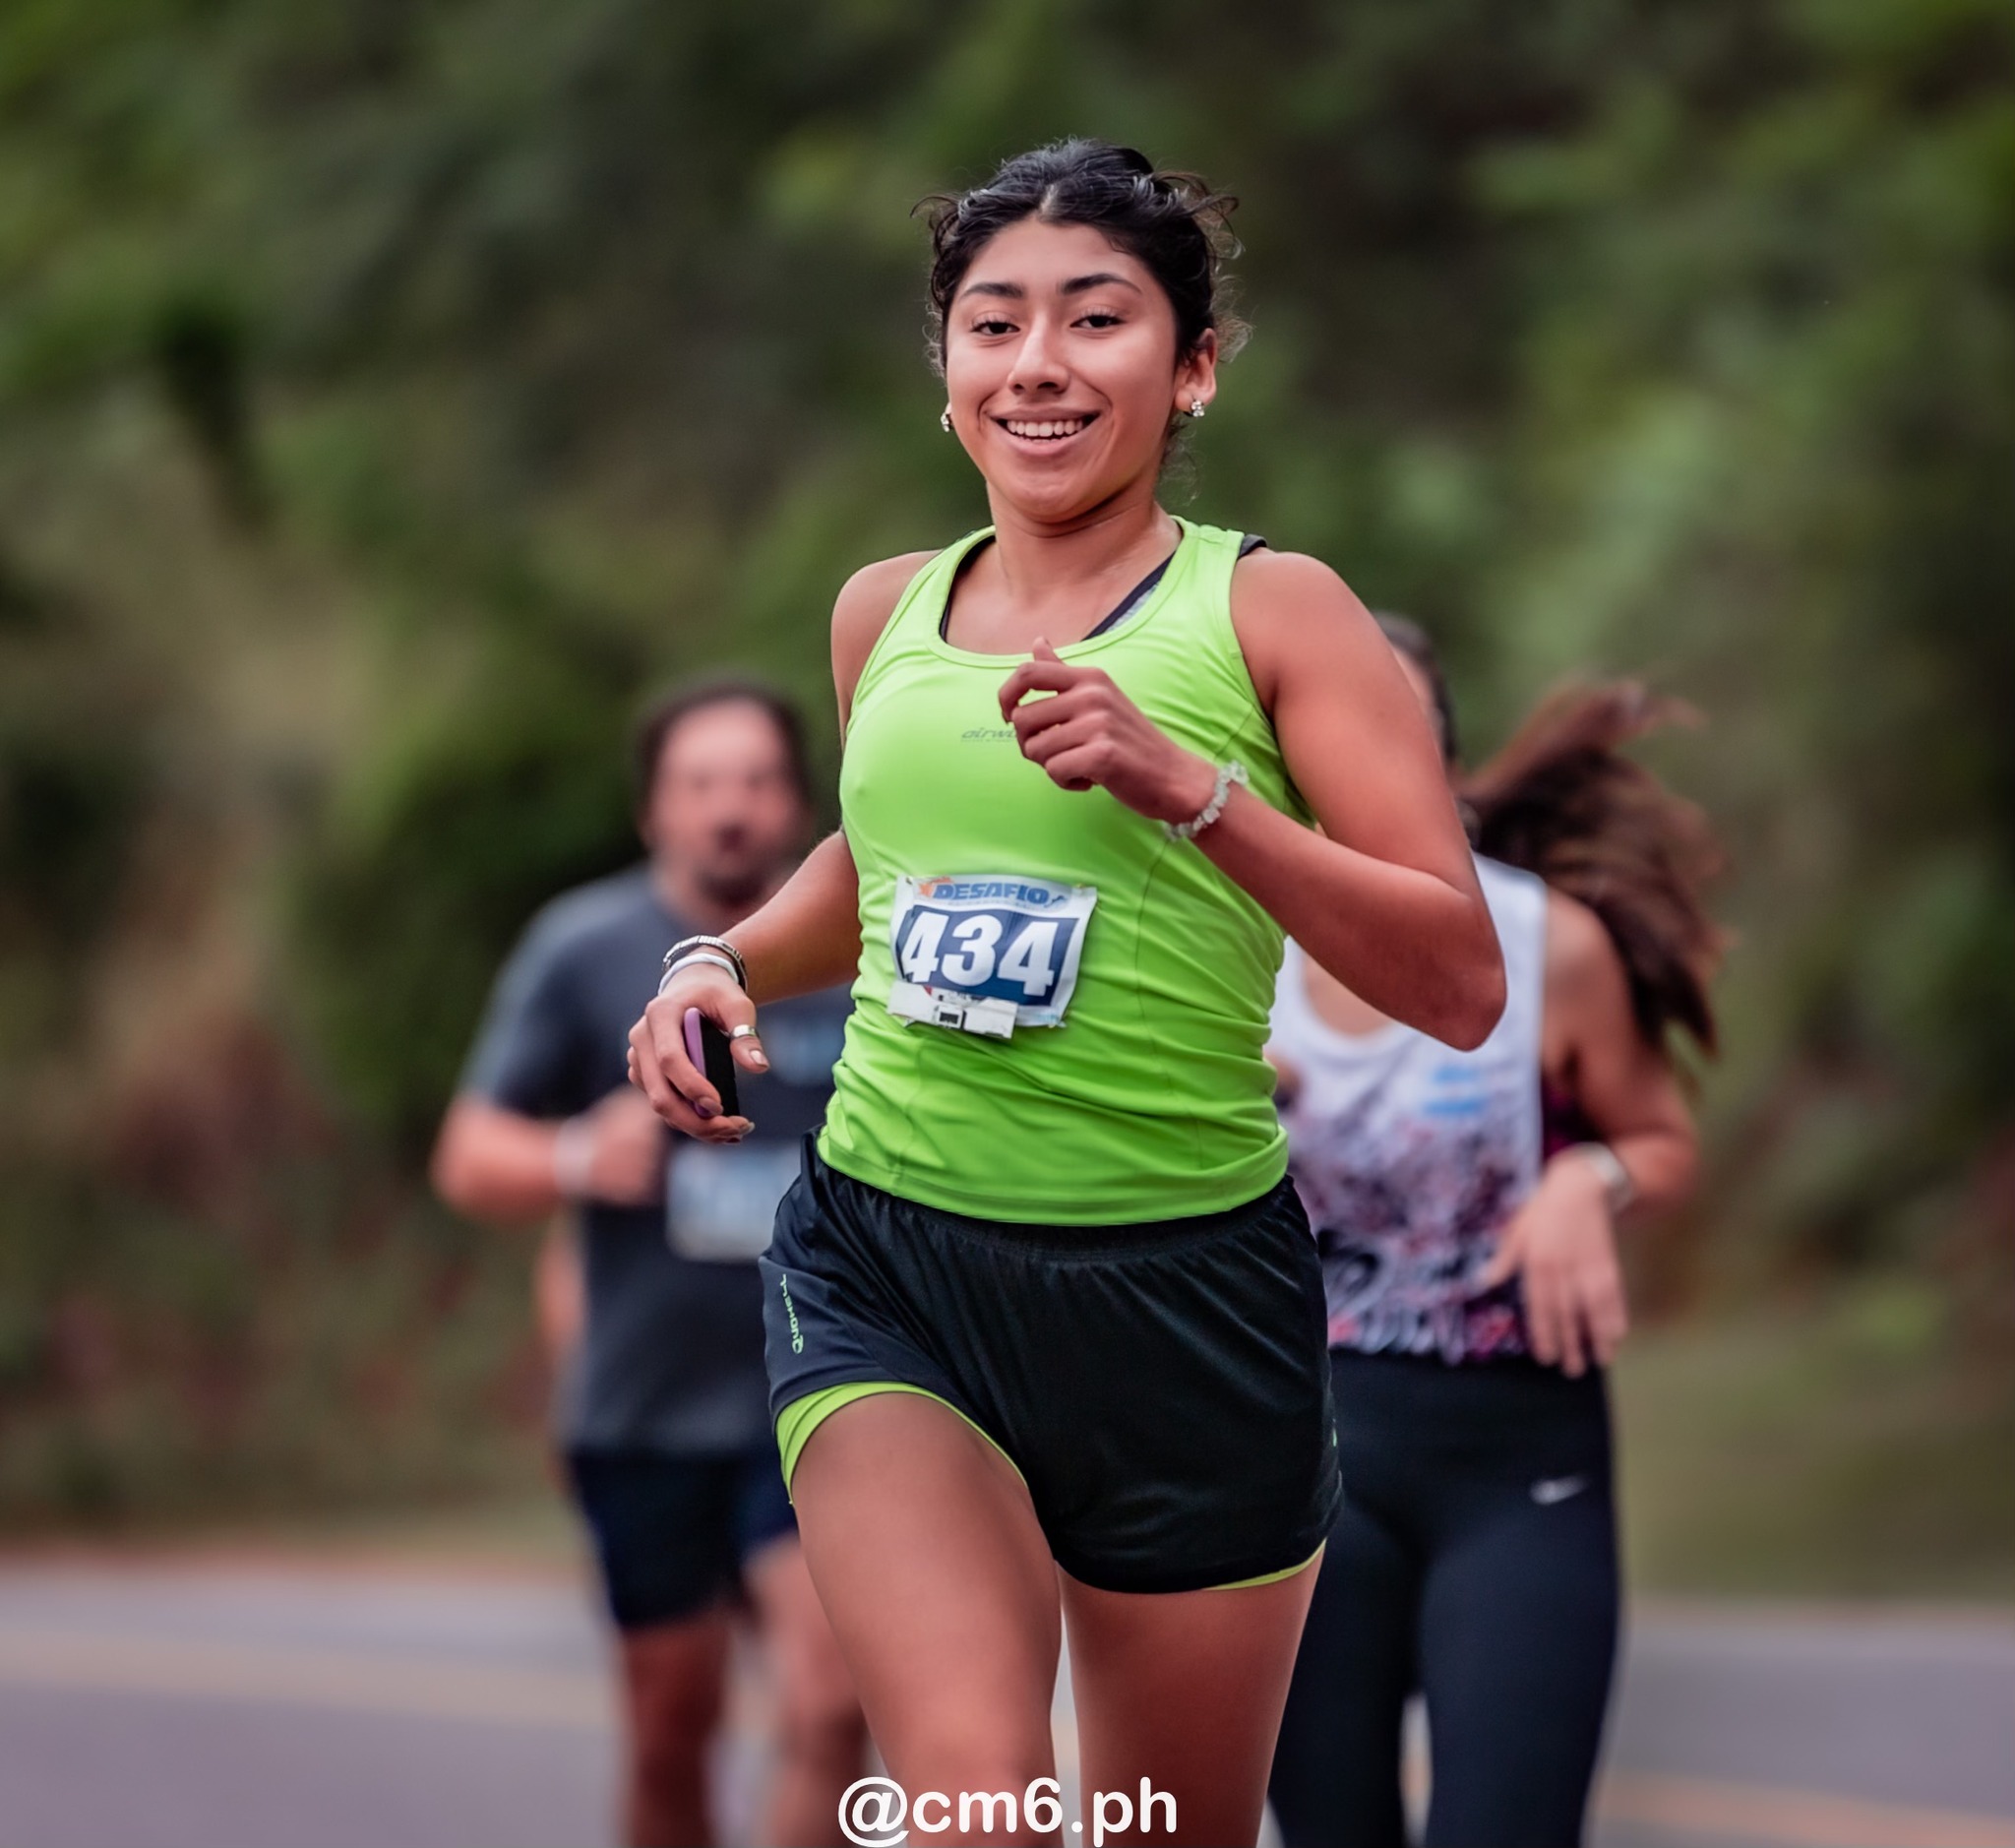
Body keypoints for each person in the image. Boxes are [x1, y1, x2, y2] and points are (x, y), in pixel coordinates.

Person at [629, 142, 1504, 1848]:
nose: (1036, 362)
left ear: (1187, 367)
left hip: (1183, 1298)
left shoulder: (1270, 611)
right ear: (945, 371)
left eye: (1094, 319)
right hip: (893, 1259)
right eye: (991, 322)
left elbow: (1455, 975)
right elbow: (879, 862)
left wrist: (1190, 789)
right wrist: (715, 957)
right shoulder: (883, 609)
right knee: (977, 1811)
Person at [1264, 619, 1724, 1848]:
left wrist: (1590, 1182)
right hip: (1299, 1464)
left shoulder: (1544, 946)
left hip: (1518, 1462)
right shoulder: (1226, 952)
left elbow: (1663, 1141)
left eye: (1392, 727)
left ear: (1445, 773)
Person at [431, 679, 867, 1848]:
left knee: (830, 1712)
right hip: (647, 1407)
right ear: (651, 811)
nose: (730, 809)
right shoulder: (583, 952)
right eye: (700, 784)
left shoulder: (859, 943)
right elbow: (468, 1156)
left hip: (825, 1394)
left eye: (757, 781)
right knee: (675, 1725)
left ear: (798, 802)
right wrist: (577, 1154)